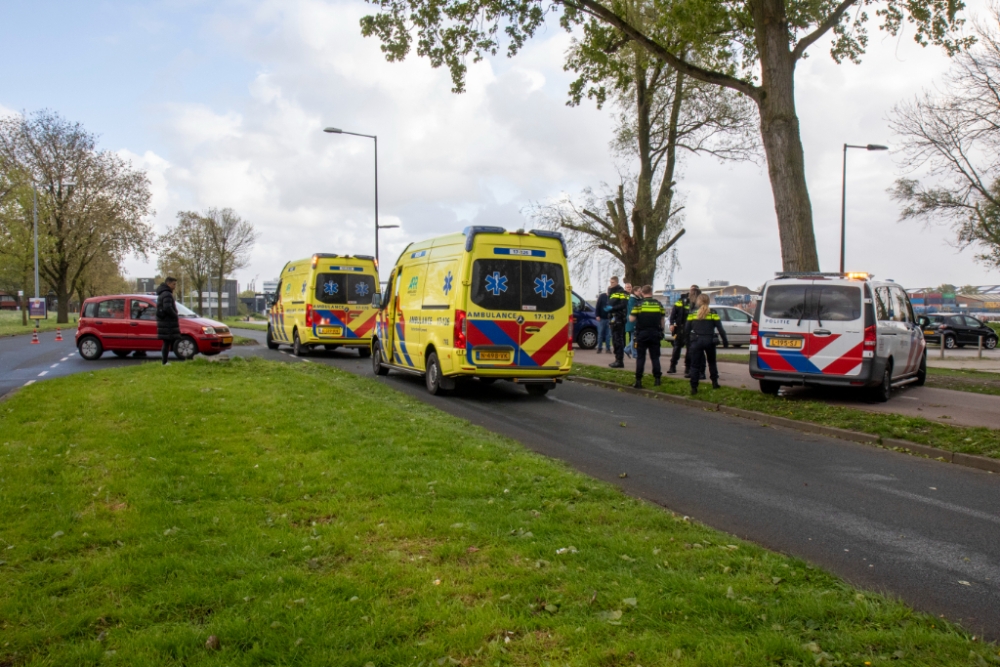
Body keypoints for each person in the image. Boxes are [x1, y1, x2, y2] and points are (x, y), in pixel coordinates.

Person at [685, 293, 727, 395]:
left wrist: (688, 342)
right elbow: (721, 329)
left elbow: (686, 330)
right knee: (712, 362)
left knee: (695, 365)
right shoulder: (713, 313)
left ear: (698, 302)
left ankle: (694, 387)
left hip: (696, 341)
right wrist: (725, 341)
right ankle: (715, 383)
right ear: (708, 301)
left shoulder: (692, 314)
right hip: (709, 341)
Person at [630, 285, 665, 388]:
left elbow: (631, 319)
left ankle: (638, 381)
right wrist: (661, 330)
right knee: (655, 357)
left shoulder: (639, 304)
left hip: (642, 334)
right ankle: (657, 379)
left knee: (641, 358)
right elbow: (662, 320)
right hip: (655, 333)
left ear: (642, 293)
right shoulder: (658, 304)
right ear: (651, 292)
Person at [668, 284, 701, 377]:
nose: (692, 292)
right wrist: (672, 323)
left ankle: (688, 368)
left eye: (694, 291)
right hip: (681, 328)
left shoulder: (699, 302)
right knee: (677, 348)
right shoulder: (681, 301)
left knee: (690, 349)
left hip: (692, 328)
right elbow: (673, 313)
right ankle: (672, 366)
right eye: (692, 290)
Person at [156, 277, 180, 365]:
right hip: (168, 322)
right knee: (167, 342)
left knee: (167, 342)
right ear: (168, 283)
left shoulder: (162, 293)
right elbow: (167, 308)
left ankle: (165, 361)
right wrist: (175, 315)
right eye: (174, 284)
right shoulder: (167, 294)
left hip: (164, 321)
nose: (175, 286)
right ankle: (165, 362)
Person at [606, 276, 629, 368]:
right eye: (610, 282)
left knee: (618, 339)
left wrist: (612, 308)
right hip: (613, 318)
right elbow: (610, 302)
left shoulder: (622, 292)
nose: (610, 284)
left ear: (616, 282)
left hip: (619, 318)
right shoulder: (612, 292)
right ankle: (617, 359)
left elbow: (623, 304)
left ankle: (620, 360)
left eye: (612, 282)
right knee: (615, 340)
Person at [624, 283, 639, 359]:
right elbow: (632, 311)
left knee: (634, 337)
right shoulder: (632, 299)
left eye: (630, 287)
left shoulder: (635, 299)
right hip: (632, 321)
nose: (640, 292)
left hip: (632, 320)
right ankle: (634, 353)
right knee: (634, 337)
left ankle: (628, 349)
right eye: (639, 291)